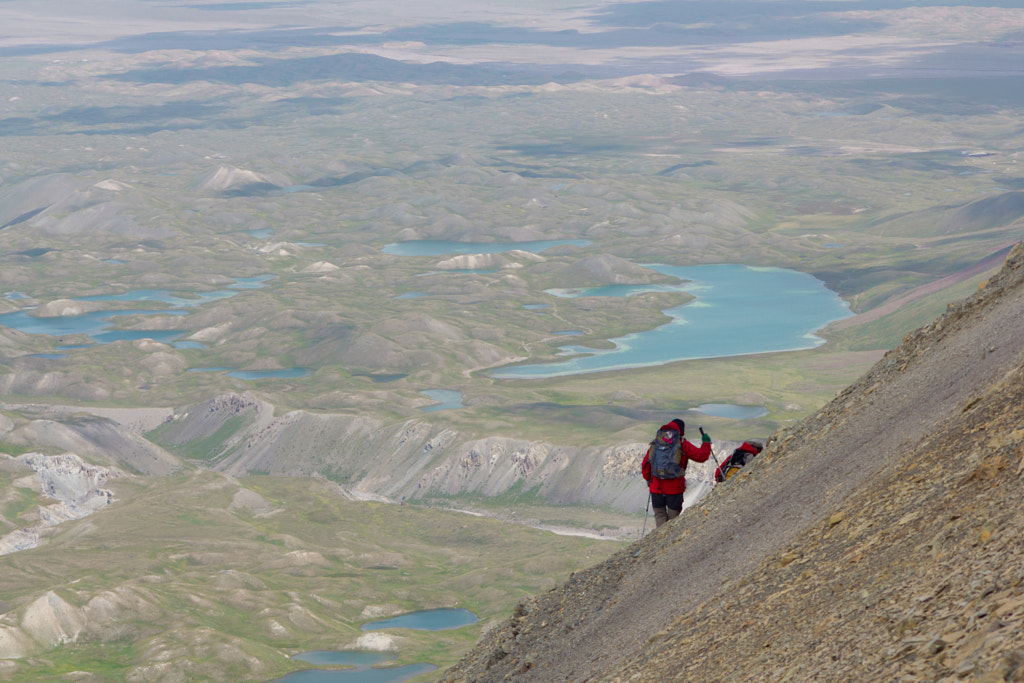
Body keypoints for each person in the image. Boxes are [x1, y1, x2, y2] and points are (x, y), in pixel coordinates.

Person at [641, 418, 712, 528]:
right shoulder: (682, 443)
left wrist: (648, 480)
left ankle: (660, 541)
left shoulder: (657, 442)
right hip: (674, 489)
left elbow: (646, 465)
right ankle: (670, 542)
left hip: (656, 488)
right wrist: (706, 443)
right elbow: (701, 456)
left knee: (659, 515)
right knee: (673, 518)